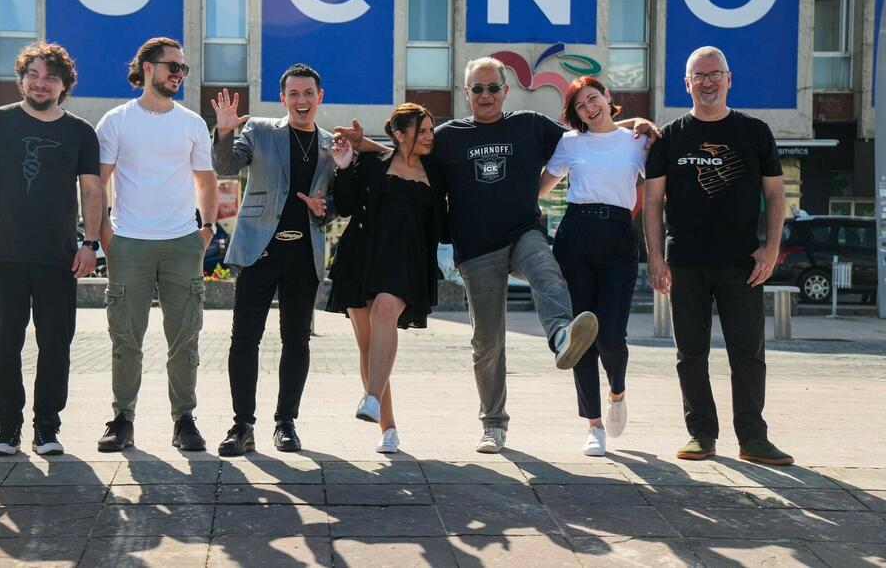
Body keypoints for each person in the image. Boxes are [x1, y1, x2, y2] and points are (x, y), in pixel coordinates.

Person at [338, 57, 656, 454]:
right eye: (478, 88)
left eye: (493, 88)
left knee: (546, 267)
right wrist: (364, 145)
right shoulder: (449, 136)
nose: (485, 95)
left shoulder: (530, 125)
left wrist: (637, 124)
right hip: (476, 249)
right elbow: (405, 154)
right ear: (466, 92)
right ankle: (493, 425)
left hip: (522, 233)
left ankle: (561, 334)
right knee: (487, 342)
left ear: (506, 91)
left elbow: (592, 131)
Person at [644, 46, 793, 466]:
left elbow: (775, 195)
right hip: (685, 263)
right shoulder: (669, 137)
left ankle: (753, 438)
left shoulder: (755, 132)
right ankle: (701, 434)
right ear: (686, 84)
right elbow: (652, 202)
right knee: (690, 354)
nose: (707, 82)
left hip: (742, 263)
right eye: (699, 76)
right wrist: (655, 257)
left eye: (714, 74)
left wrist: (771, 248)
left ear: (729, 79)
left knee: (747, 354)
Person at [0, 42, 102, 457]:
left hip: (59, 257)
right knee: (4, 343)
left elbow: (92, 191)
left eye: (51, 77)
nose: (41, 83)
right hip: (2, 254)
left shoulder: (80, 132)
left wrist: (90, 243)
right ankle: (7, 429)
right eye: (34, 75)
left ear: (64, 85)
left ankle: (47, 428)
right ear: (22, 80)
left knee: (56, 345)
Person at [95, 37, 219, 453]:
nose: (179, 74)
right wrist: (105, 235)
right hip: (129, 242)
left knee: (185, 338)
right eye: (172, 66)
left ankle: (184, 419)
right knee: (125, 338)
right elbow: (97, 183)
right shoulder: (116, 121)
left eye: (183, 68)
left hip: (182, 243)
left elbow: (206, 181)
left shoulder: (191, 123)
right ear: (147, 67)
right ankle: (122, 419)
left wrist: (207, 229)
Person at [211, 63, 336, 456]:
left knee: (296, 340)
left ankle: (286, 423)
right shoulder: (260, 131)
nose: (301, 100)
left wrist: (326, 209)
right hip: (259, 251)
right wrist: (225, 133)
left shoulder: (331, 145)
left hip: (304, 254)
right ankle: (242, 425)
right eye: (293, 94)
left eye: (308, 93)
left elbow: (337, 201)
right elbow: (226, 166)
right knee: (245, 338)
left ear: (319, 96)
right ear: (283, 99)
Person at [538, 76, 649, 457]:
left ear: (607, 97)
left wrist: (642, 123)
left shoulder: (637, 141)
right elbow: (540, 188)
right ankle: (593, 425)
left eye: (593, 98)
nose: (589, 107)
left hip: (619, 237)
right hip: (576, 236)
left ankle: (617, 391)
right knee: (581, 337)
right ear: (575, 114)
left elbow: (657, 187)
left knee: (611, 337)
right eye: (580, 105)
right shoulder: (570, 143)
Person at [325, 103, 445, 453]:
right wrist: (344, 167)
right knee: (368, 345)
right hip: (361, 257)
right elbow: (346, 205)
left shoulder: (435, 172)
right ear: (401, 135)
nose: (430, 136)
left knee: (384, 312)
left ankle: (372, 397)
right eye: (422, 131)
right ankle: (388, 429)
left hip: (408, 262)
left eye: (431, 130)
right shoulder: (373, 164)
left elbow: (443, 225)